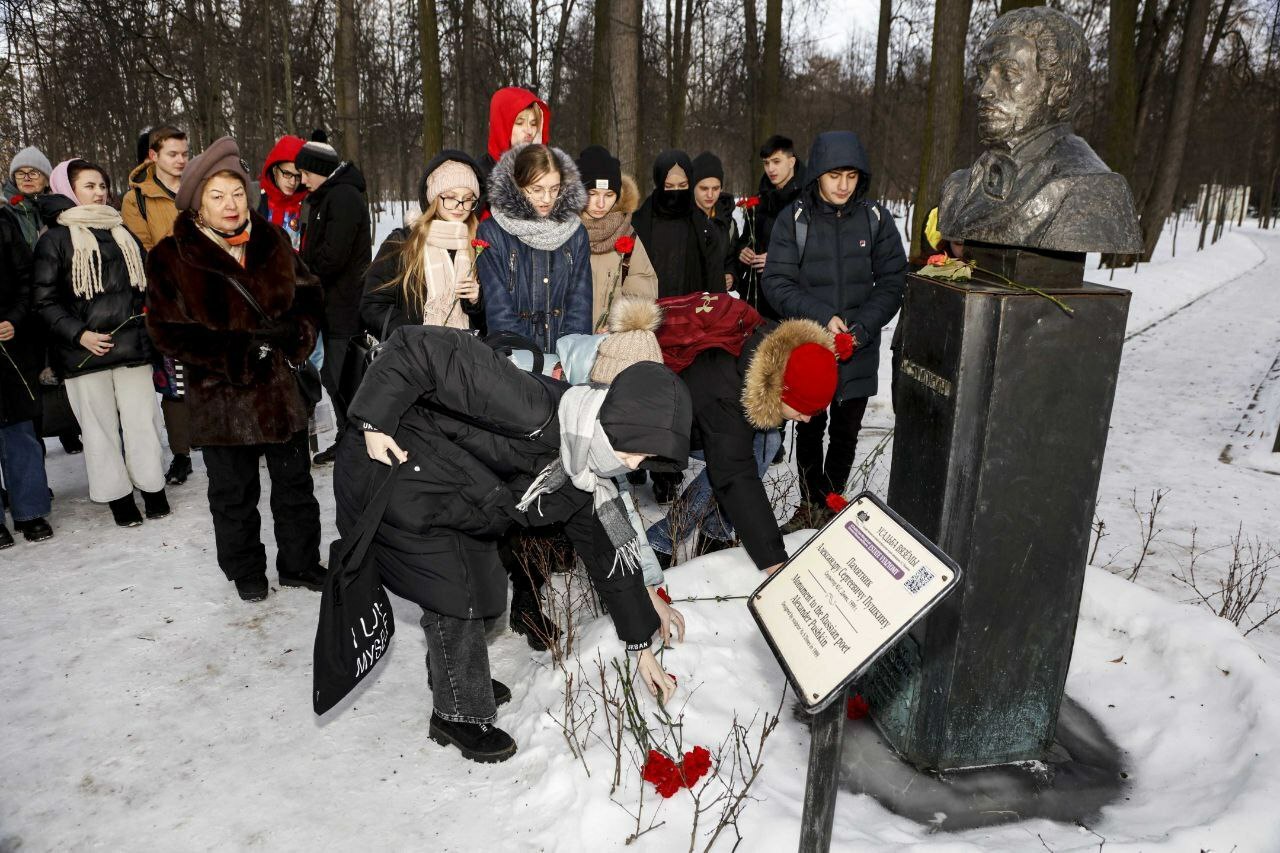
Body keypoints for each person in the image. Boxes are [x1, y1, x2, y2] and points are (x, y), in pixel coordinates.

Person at [336, 325, 690, 762]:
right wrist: (374, 420)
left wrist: (641, 640)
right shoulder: (532, 407)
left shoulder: (590, 474)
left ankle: (454, 674)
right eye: (638, 452)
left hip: (456, 495)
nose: (636, 466)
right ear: (617, 425)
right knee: (455, 593)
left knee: (483, 590)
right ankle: (458, 715)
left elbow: (610, 553)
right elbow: (423, 348)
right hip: (397, 468)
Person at [145, 137, 326, 602]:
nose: (231, 205)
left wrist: (299, 333)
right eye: (217, 196)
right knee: (233, 494)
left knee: (295, 488)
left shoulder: (272, 238)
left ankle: (300, 563)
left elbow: (308, 293)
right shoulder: (170, 256)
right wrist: (233, 356)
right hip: (221, 396)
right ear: (197, 204)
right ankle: (246, 570)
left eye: (237, 194)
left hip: (280, 392)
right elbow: (166, 330)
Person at [762, 131, 907, 532]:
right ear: (817, 177)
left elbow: (894, 279)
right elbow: (776, 282)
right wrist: (822, 316)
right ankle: (810, 502)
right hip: (811, 346)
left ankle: (830, 502)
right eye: (834, 176)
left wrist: (865, 325)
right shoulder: (794, 220)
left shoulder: (876, 218)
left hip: (859, 345)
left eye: (851, 176)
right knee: (809, 428)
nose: (843, 185)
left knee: (846, 432)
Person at [645, 296, 842, 573]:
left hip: (701, 408)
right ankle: (661, 540)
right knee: (731, 466)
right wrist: (774, 558)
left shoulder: (775, 351)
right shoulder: (728, 393)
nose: (807, 419)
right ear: (782, 390)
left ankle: (715, 532)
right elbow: (735, 476)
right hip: (667, 421)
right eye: (802, 408)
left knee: (768, 440)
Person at [33, 159, 168, 527]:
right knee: (98, 430)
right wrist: (79, 334)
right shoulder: (55, 238)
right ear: (68, 190)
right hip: (83, 353)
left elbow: (145, 286)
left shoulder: (121, 229)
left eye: (102, 185)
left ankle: (153, 488)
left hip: (132, 347)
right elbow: (44, 302)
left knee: (144, 422)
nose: (99, 192)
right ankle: (119, 498)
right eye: (89, 186)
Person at [120, 125, 195, 487]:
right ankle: (182, 453)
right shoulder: (137, 199)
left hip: (211, 295)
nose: (181, 160)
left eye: (184, 153)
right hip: (167, 299)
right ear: (153, 156)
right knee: (174, 380)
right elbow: (142, 249)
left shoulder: (200, 187)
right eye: (173, 154)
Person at [297, 139, 372, 465]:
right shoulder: (328, 196)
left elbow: (333, 256)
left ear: (320, 170)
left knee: (344, 378)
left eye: (305, 172)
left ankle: (358, 442)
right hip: (330, 306)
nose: (302, 180)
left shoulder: (342, 197)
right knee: (334, 376)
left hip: (344, 307)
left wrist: (302, 274)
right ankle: (349, 437)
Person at [477, 144, 592, 352]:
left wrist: (568, 359)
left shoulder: (576, 233)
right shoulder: (492, 232)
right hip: (513, 362)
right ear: (517, 185)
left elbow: (579, 307)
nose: (547, 199)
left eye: (554, 189)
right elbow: (499, 311)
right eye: (537, 189)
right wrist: (531, 361)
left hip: (563, 363)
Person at [362, 151, 486, 336]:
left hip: (464, 358)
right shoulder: (402, 243)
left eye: (468, 199)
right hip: (411, 358)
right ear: (434, 197)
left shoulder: (478, 246)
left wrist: (477, 302)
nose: (460, 206)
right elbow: (373, 305)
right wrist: (413, 337)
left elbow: (491, 322)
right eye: (451, 197)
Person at [0, 176, 52, 546]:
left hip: (11, 345)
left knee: (19, 432)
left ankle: (30, 512)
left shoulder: (5, 224)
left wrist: (14, 319)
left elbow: (25, 279)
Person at [576, 145, 658, 332]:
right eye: (592, 194)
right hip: (566, 345)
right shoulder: (559, 233)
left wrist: (619, 326)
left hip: (612, 344)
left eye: (609, 195)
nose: (601, 203)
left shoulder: (628, 236)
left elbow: (644, 294)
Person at [630, 149, 721, 300]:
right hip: (647, 313)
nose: (676, 192)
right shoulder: (639, 223)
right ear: (659, 184)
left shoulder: (703, 228)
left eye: (682, 185)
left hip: (692, 315)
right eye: (669, 186)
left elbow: (715, 280)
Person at [735, 135, 805, 318]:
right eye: (766, 163)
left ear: (791, 162)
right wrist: (743, 250)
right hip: (757, 298)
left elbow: (815, 250)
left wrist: (778, 260)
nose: (770, 169)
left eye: (776, 161)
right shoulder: (760, 198)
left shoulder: (808, 199)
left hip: (791, 299)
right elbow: (746, 238)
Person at [690, 151, 738, 292]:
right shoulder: (682, 219)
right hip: (686, 302)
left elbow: (731, 257)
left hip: (717, 302)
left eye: (716, 188)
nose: (710, 195)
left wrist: (731, 274)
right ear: (693, 187)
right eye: (704, 188)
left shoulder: (728, 223)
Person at [479, 87, 551, 179]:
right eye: (520, 123)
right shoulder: (480, 175)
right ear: (501, 125)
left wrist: (537, 157)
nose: (529, 131)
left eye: (533, 124)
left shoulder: (549, 170)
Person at [258, 134, 309, 250]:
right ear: (275, 170)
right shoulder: (256, 199)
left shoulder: (306, 206)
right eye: (287, 174)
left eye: (297, 176)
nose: (292, 182)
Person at [4, 146, 52, 250]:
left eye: (33, 173)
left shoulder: (57, 209)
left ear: (47, 181)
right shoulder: (4, 210)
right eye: (20, 173)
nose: (26, 178)